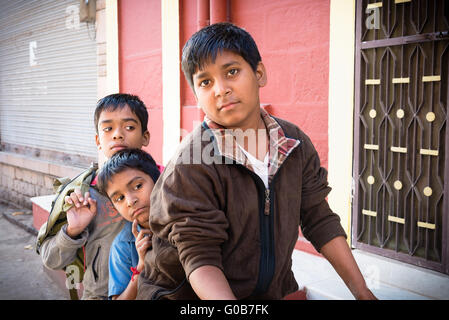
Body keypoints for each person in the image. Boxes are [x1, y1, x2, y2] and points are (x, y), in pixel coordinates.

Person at [137, 22, 377, 300]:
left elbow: (319, 219)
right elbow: (200, 258)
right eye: (206, 82)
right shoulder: (190, 163)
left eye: (232, 72)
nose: (221, 89)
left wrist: (363, 292)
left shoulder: (294, 144)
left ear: (259, 73)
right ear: (197, 95)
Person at [37, 93, 151, 300]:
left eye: (129, 127)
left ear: (145, 136)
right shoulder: (81, 193)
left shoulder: (162, 183)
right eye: (108, 128)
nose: (117, 134)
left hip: (157, 292)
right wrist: (73, 231)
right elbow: (50, 260)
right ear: (98, 140)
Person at [96, 149, 160, 300]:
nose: (130, 201)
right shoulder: (122, 245)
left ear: (158, 180)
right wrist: (141, 267)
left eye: (138, 186)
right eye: (119, 198)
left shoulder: (181, 221)